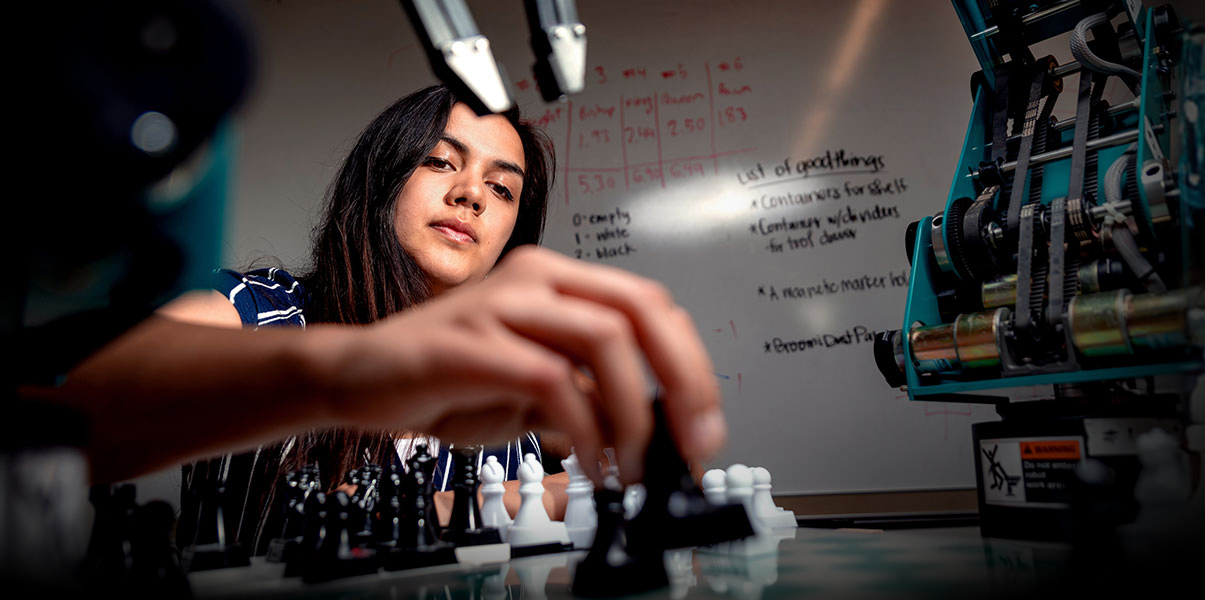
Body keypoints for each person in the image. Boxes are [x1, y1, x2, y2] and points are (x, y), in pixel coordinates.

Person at [54, 85, 727, 553]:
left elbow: (625, 486)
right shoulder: (261, 311)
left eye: (502, 189)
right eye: (439, 161)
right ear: (380, 181)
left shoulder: (523, 378)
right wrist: (344, 371)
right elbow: (64, 402)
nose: (470, 195)